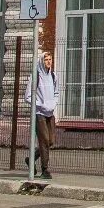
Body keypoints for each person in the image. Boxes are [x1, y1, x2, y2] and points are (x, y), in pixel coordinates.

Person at [28, 45, 59, 183]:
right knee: (44, 141)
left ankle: (31, 158)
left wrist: (53, 103)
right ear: (41, 61)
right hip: (40, 113)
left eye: (50, 59)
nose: (48, 62)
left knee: (51, 141)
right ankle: (45, 170)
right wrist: (41, 104)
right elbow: (28, 96)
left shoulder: (53, 76)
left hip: (50, 113)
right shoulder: (36, 76)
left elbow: (56, 93)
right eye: (46, 59)